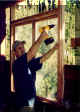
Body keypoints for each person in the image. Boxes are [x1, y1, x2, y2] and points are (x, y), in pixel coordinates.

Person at [12, 31, 58, 112]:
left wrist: (54, 48)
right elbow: (31, 53)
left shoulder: (28, 63)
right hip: (23, 103)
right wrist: (41, 38)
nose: (23, 49)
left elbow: (43, 58)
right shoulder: (17, 64)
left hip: (31, 102)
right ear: (14, 52)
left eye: (23, 47)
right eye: (19, 48)